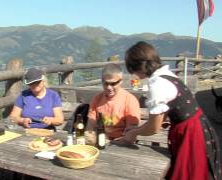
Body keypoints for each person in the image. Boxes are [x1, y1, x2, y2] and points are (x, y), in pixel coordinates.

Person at [122, 41, 221, 180]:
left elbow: (154, 127)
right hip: (197, 126)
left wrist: (134, 133)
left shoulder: (157, 84)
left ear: (138, 66)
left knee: (189, 174)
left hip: (190, 133)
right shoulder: (166, 74)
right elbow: (158, 118)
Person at [85, 64, 141, 141]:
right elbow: (90, 126)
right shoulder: (97, 99)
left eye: (113, 84)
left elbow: (131, 133)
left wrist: (112, 142)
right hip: (100, 140)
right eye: (106, 83)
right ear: (102, 81)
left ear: (121, 81)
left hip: (122, 143)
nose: (109, 88)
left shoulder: (130, 100)